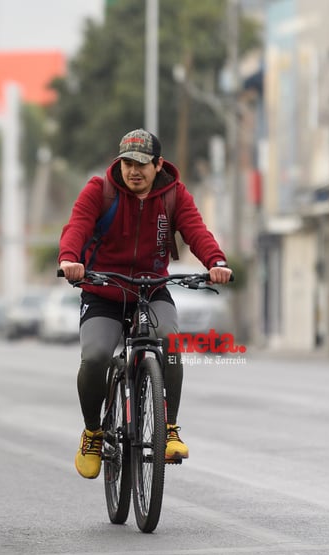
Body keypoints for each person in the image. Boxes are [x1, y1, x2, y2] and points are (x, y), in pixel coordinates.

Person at [58, 128, 233, 479]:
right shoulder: (100, 191)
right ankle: (93, 433)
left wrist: (215, 262)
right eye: (126, 163)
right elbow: (76, 226)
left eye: (141, 164)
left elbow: (195, 230)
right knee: (94, 358)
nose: (133, 171)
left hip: (152, 289)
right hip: (103, 290)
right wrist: (69, 259)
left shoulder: (173, 195)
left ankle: (168, 430)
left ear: (157, 165)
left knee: (169, 342)